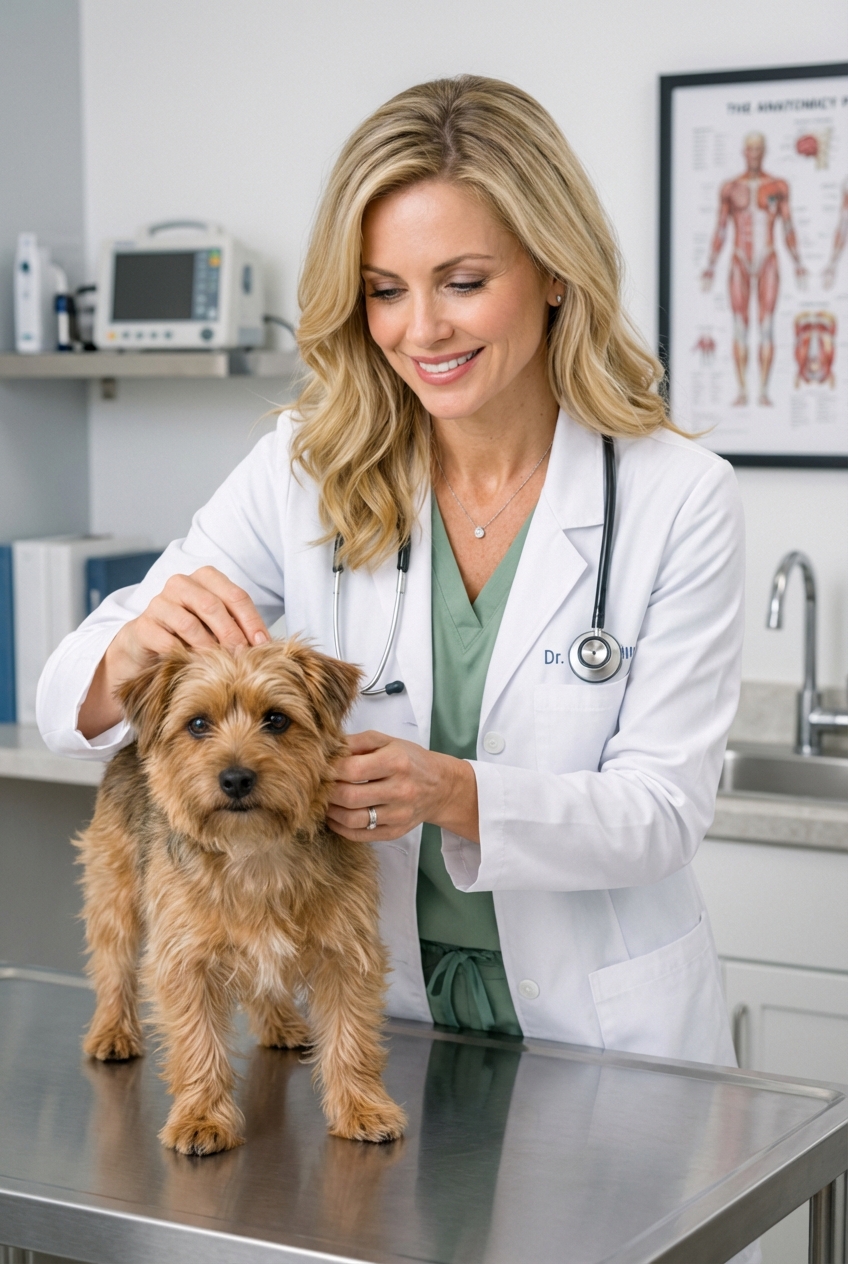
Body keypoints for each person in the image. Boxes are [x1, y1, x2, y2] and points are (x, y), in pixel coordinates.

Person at [39, 75, 743, 1075]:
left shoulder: (677, 496)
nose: (420, 330)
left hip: (602, 1030)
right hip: (377, 1018)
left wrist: (454, 791)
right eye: (383, 289)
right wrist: (133, 644)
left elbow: (661, 812)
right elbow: (68, 689)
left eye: (461, 281)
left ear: (552, 270)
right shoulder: (305, 465)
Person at [701, 131, 806, 407]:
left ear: (765, 151)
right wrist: (710, 266)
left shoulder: (778, 186)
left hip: (768, 258)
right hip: (739, 260)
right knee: (739, 326)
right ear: (744, 152)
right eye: (750, 149)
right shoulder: (730, 188)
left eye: (759, 148)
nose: (754, 154)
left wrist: (798, 263)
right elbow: (721, 228)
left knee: (767, 326)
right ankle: (742, 390)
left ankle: (763, 391)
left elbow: (788, 226)